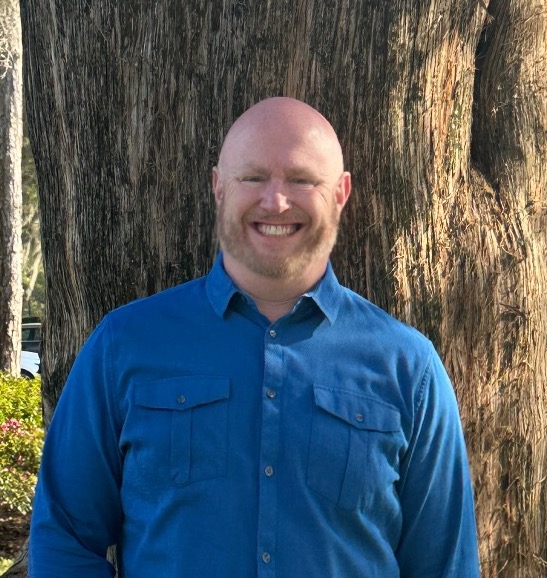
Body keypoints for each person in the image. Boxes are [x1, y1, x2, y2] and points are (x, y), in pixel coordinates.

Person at [29, 97, 480, 577]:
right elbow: (65, 540)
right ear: (219, 187)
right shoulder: (124, 345)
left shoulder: (409, 368)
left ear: (341, 193)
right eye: (253, 178)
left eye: (302, 180)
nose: (276, 201)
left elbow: (445, 565)